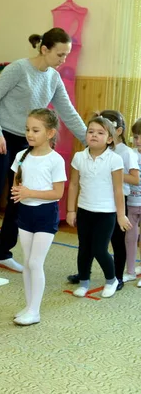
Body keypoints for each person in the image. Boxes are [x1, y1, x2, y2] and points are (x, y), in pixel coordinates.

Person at [0, 27, 87, 273]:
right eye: (60, 54)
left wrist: (90, 140)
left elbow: (68, 112)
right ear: (44, 49)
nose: (63, 60)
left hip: (27, 145)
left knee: (19, 198)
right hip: (0, 141)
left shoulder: (53, 78)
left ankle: (3, 254)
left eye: (66, 55)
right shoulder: (17, 69)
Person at [66, 111, 139, 289]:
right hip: (87, 207)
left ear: (111, 136)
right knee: (85, 246)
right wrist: (71, 210)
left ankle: (114, 278)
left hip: (111, 207)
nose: (94, 135)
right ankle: (84, 278)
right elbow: (74, 184)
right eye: (91, 131)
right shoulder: (80, 157)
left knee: (107, 245)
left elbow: (122, 186)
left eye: (101, 132)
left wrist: (121, 214)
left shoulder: (119, 156)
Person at [10, 109, 66, 326]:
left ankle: (35, 311)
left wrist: (29, 193)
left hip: (45, 215)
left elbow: (57, 193)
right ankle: (29, 305)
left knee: (35, 262)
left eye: (35, 130)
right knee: (27, 262)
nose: (29, 134)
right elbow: (17, 182)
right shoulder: (21, 156)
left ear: (50, 133)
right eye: (27, 129)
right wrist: (18, 190)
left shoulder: (55, 160)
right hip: (25, 213)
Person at [125, 118, 141, 286]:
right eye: (136, 137)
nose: (139, 141)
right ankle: (130, 271)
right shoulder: (131, 154)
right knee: (130, 238)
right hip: (132, 202)